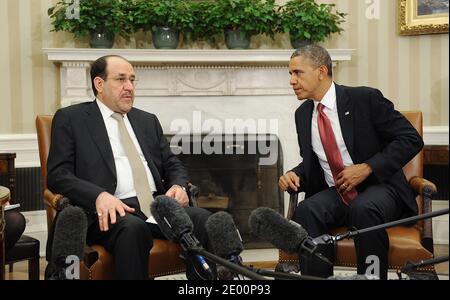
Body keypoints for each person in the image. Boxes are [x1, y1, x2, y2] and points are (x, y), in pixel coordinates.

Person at [47, 55, 215, 280]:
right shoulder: (72, 118)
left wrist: (178, 186)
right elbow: (58, 175)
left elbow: (172, 163)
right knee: (133, 229)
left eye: (132, 80)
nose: (129, 87)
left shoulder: (147, 121)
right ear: (99, 84)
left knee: (205, 220)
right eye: (121, 79)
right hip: (108, 213)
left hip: (155, 209)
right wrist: (98, 196)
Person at [278, 45, 423, 280]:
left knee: (363, 208)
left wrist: (367, 168)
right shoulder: (303, 114)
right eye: (290, 74)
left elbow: (410, 139)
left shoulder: (364, 99)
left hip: (380, 188)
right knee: (307, 210)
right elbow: (313, 163)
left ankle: (371, 277)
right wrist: (295, 174)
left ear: (321, 71)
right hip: (337, 192)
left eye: (298, 73)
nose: (292, 81)